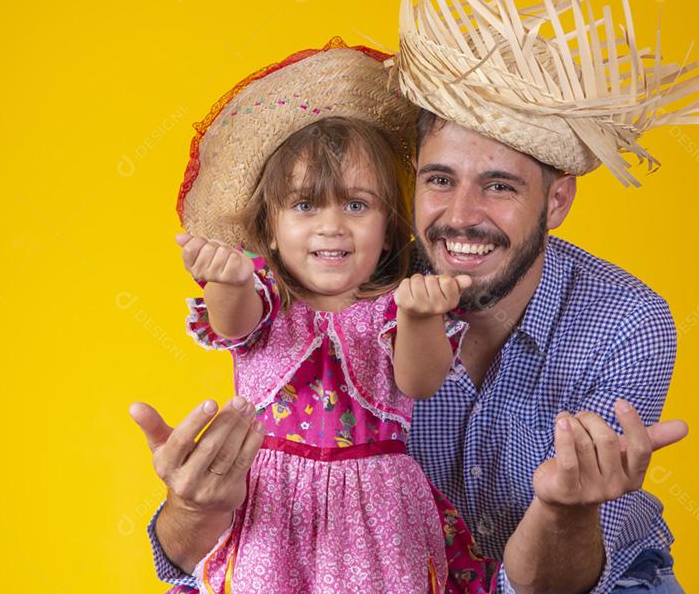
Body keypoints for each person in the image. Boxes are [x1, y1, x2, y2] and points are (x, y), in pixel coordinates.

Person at [133, 0, 699, 593]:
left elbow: (551, 587)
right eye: (440, 181)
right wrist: (192, 506)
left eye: (499, 186)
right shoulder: (344, 282)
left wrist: (566, 508)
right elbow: (184, 557)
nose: (462, 216)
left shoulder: (625, 323)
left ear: (556, 202)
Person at [145, 41, 504, 593]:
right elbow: (232, 325)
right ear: (268, 228)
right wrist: (228, 279)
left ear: (389, 226)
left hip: (378, 512)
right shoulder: (265, 300)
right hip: (273, 503)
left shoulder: (392, 306)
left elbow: (420, 380)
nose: (331, 226)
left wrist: (418, 318)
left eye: (356, 205)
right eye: (306, 205)